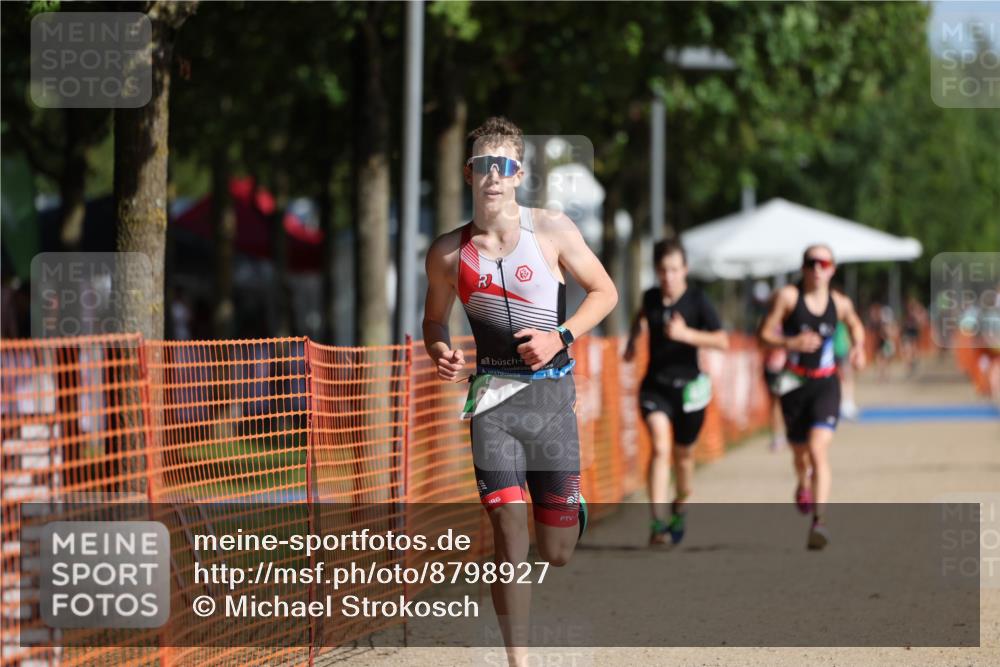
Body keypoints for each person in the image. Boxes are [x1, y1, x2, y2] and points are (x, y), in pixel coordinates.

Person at [422, 116, 618, 666]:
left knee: (554, 552)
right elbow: (433, 322)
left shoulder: (550, 230)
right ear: (469, 173)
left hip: (551, 401)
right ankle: (519, 661)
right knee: (508, 530)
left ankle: (567, 506)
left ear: (518, 174)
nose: (493, 176)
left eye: (503, 166)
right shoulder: (446, 253)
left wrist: (560, 336)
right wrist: (441, 350)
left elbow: (605, 292)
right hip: (493, 404)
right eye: (483, 165)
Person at [757, 244, 865, 550]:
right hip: (792, 382)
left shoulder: (840, 303)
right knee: (800, 453)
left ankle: (820, 521)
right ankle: (802, 483)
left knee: (818, 450)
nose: (817, 268)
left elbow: (856, 325)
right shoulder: (788, 298)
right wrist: (791, 341)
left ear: (832, 269)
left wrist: (859, 346)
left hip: (826, 384)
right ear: (803, 267)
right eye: (810, 263)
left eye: (823, 263)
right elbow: (762, 335)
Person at [624, 240, 728, 547]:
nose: (668, 276)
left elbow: (722, 340)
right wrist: (632, 341)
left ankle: (680, 505)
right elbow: (641, 315)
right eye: (662, 270)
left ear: (685, 269)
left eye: (674, 269)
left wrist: (686, 335)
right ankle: (657, 523)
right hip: (655, 386)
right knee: (659, 445)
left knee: (684, 458)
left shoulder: (697, 300)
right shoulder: (651, 297)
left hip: (689, 390)